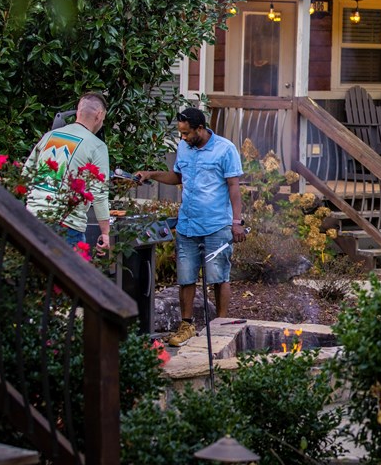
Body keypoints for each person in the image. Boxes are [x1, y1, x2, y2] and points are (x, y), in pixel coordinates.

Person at [135, 108, 247, 346]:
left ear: (200, 128)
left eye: (186, 133)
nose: (183, 138)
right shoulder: (184, 148)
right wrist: (151, 174)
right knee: (185, 277)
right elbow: (178, 177)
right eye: (181, 134)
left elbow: (234, 187)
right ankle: (186, 326)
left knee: (219, 276)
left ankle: (220, 327)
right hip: (187, 223)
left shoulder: (225, 149)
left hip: (216, 224)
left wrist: (236, 222)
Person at [24, 91, 112, 251]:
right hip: (66, 225)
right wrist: (105, 232)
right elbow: (99, 194)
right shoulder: (97, 146)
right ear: (99, 115)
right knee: (68, 275)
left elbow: (25, 175)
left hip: (32, 218)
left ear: (78, 111)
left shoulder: (49, 136)